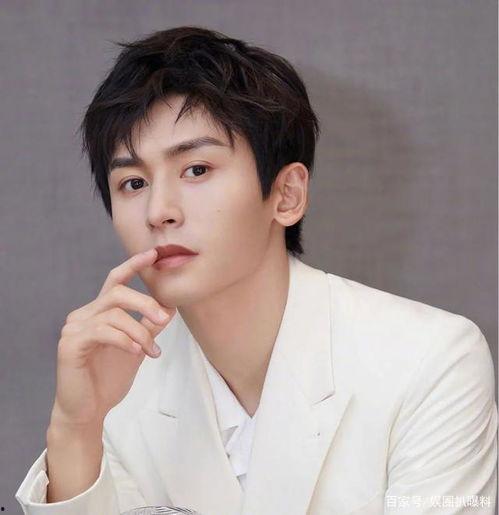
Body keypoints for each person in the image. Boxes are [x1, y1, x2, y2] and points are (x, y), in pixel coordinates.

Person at [15, 26, 497, 515]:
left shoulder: (430, 360)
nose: (159, 211)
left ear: (286, 195)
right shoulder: (117, 382)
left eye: (197, 170)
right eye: (134, 183)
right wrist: (75, 427)